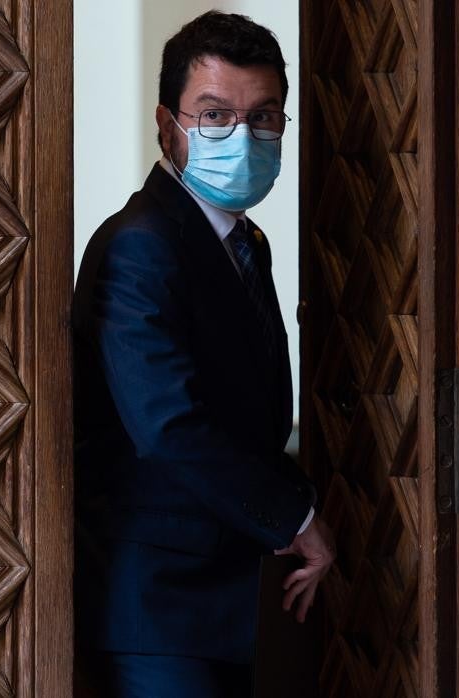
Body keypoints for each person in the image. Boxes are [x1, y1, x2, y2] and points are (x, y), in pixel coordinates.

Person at [72, 11, 335, 697]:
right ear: (168, 127)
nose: (242, 138)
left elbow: (244, 414)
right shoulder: (141, 244)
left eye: (264, 117)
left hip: (228, 599)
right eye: (215, 116)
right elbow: (167, 426)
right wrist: (295, 518)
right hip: (158, 610)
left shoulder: (246, 242)